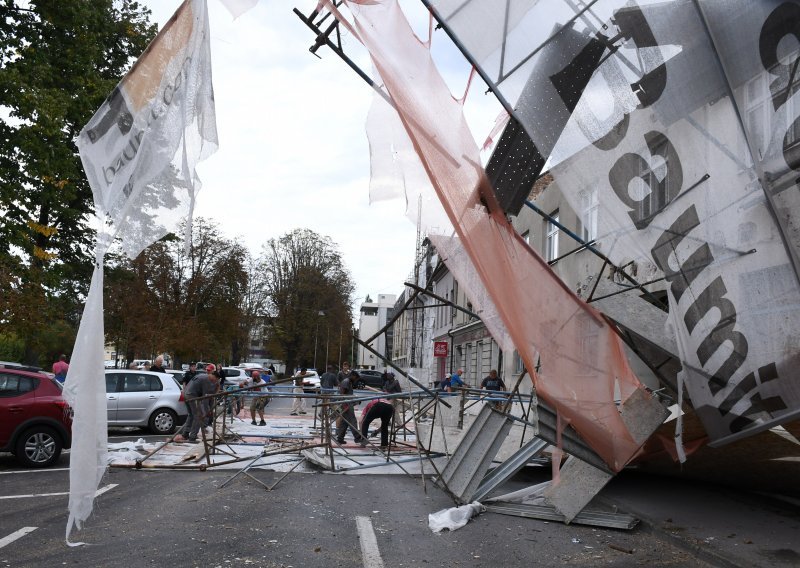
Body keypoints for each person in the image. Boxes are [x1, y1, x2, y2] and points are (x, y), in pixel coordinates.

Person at [178, 365, 220, 442]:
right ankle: (192, 436)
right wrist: (208, 411)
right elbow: (205, 397)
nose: (215, 382)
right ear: (214, 376)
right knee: (198, 416)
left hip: (186, 394)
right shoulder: (206, 379)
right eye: (215, 380)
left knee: (191, 415)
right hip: (192, 396)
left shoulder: (202, 376)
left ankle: (185, 434)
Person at [335, 370, 363, 445]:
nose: (356, 380)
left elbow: (348, 394)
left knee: (344, 422)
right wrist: (344, 404)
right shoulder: (346, 381)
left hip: (347, 403)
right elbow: (342, 394)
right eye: (356, 378)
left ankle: (340, 438)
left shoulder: (349, 382)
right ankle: (357, 438)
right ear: (353, 376)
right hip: (346, 404)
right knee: (352, 420)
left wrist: (355, 401)